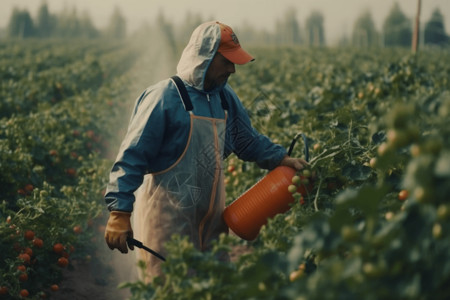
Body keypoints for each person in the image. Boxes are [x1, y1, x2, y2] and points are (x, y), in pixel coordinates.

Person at [104, 21, 308, 279]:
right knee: (170, 291)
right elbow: (131, 157)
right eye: (227, 62)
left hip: (212, 224)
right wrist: (119, 212)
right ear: (206, 57)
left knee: (213, 288)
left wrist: (283, 158)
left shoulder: (224, 97)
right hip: (166, 224)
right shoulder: (164, 97)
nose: (233, 70)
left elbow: (247, 140)